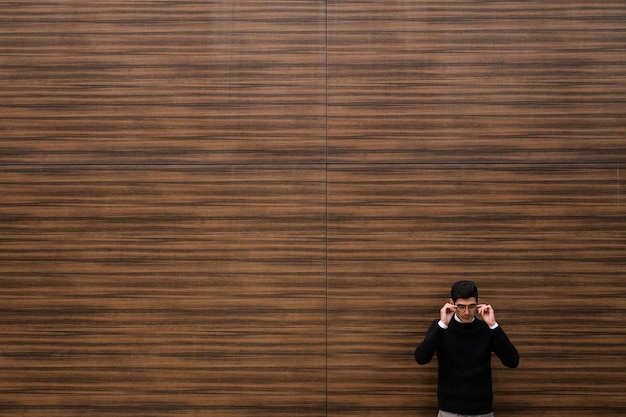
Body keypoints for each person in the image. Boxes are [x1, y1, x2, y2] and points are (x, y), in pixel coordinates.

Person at [414, 280, 519, 417]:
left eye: (472, 306)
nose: (467, 312)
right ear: (452, 304)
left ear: (478, 302)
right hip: (449, 410)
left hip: (482, 410)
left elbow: (512, 361)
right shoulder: (440, 327)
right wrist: (442, 325)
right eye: (461, 306)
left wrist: (493, 325)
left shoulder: (486, 328)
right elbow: (421, 358)